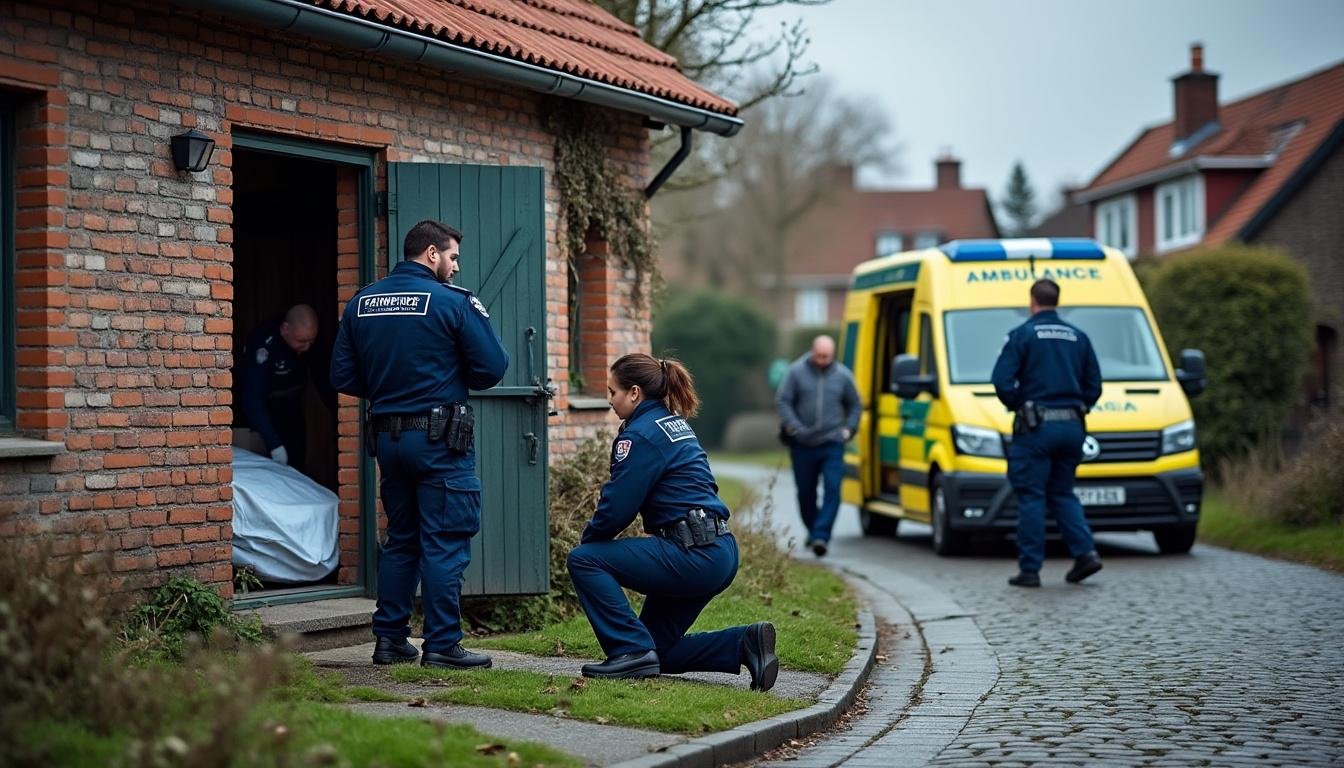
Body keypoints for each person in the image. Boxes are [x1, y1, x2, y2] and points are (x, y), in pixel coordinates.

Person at [331, 219, 509, 668]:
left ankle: (390, 640)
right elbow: (492, 368)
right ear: (432, 253)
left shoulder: (362, 302)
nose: (456, 267)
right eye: (452, 257)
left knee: (402, 540)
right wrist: (445, 375)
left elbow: (342, 375)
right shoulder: (453, 302)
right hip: (439, 441)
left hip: (388, 441)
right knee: (445, 541)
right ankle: (443, 645)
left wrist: (390, 386)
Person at [566, 354, 779, 690]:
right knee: (659, 650)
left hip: (692, 553)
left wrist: (589, 542)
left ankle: (629, 651)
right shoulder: (672, 424)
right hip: (718, 549)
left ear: (634, 393)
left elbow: (617, 508)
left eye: (612, 392)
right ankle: (744, 644)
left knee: (584, 560)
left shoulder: (640, 436)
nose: (609, 400)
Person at [991, 278, 1104, 588]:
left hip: (1037, 429)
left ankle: (1030, 570)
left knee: (1032, 495)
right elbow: (1094, 385)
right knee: (1063, 492)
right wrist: (1078, 406)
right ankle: (1085, 554)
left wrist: (1020, 405)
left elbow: (1001, 381)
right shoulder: (1079, 337)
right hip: (1072, 427)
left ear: (1032, 302)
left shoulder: (1022, 335)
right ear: (1057, 301)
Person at [775, 335, 860, 557]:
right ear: (812, 351)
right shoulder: (795, 372)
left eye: (827, 356)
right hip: (802, 444)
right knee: (806, 493)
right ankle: (813, 530)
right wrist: (793, 426)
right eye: (819, 355)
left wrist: (849, 429)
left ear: (833, 355)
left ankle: (821, 535)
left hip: (832, 442)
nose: (822, 360)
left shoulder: (843, 376)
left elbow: (855, 405)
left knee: (833, 489)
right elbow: (783, 400)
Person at [238, 303, 337, 472]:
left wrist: (338, 415)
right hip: (264, 408)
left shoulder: (310, 343)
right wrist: (274, 444)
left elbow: (324, 381)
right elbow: (252, 398)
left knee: (296, 460)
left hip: (293, 406)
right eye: (302, 341)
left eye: (311, 341)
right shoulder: (263, 342)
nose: (307, 347)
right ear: (285, 329)